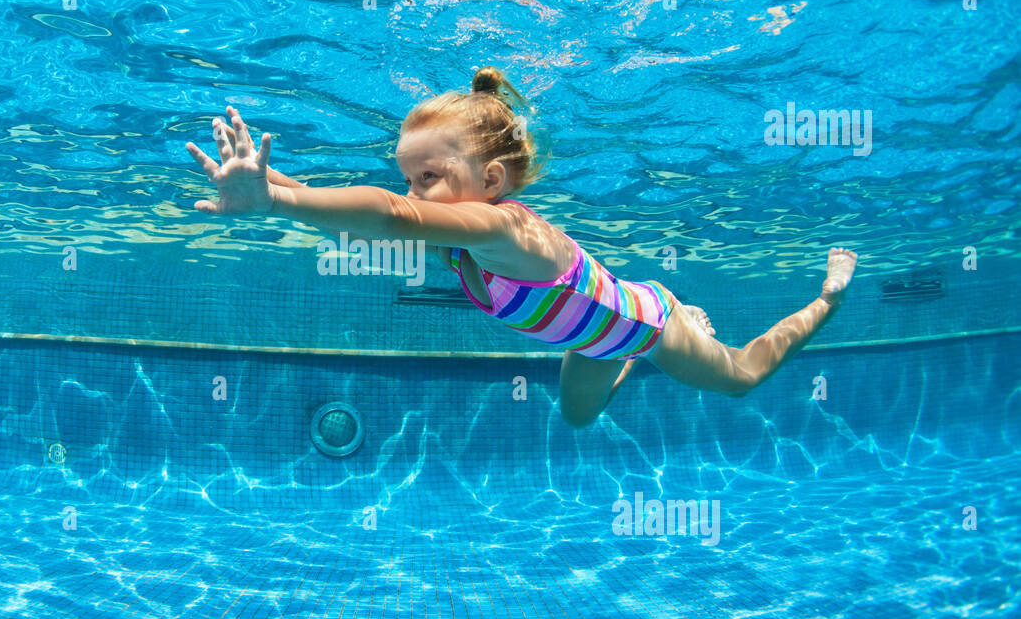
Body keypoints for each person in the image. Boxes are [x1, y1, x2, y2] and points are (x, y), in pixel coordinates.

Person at [184, 67, 858, 428]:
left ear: (492, 181)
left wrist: (281, 201)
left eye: (429, 178)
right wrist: (266, 183)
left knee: (739, 380)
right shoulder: (455, 227)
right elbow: (387, 211)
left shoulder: (503, 231)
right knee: (576, 420)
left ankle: (825, 297)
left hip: (646, 327)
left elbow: (390, 217)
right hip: (593, 340)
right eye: (407, 178)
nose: (415, 193)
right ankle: (626, 348)